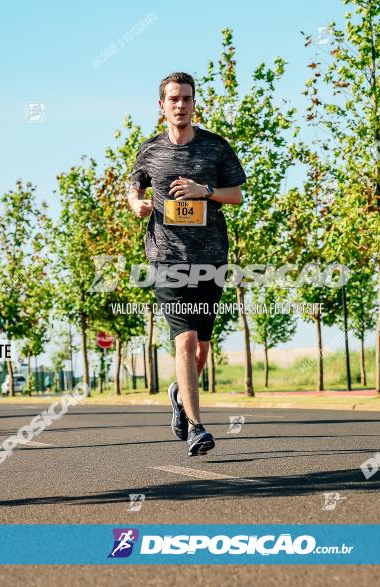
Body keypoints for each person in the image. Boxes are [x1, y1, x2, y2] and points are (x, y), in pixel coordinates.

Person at [128, 72, 246, 456]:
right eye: (174, 99)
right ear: (161, 106)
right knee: (186, 341)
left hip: (211, 257)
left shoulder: (216, 148)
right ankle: (198, 428)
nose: (181, 105)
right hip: (167, 258)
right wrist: (137, 203)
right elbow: (135, 186)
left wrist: (205, 191)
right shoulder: (149, 150)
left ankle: (179, 394)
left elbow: (237, 196)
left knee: (202, 349)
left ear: (195, 104)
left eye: (187, 99)